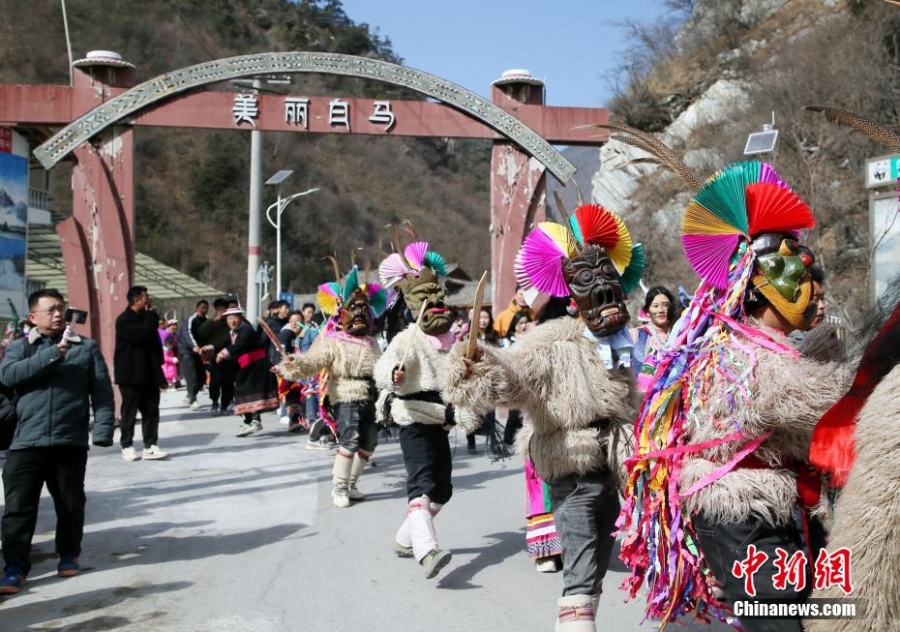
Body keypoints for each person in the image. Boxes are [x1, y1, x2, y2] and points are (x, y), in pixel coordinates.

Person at [619, 160, 852, 631]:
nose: (808, 282)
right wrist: (869, 373)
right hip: (739, 509)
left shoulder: (763, 345)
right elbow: (811, 394)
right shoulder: (742, 354)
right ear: (758, 283)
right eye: (794, 268)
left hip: (773, 504)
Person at [445, 203, 645, 629]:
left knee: (600, 548)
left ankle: (581, 611)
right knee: (580, 550)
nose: (605, 287)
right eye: (590, 280)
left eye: (609, 275)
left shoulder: (625, 341)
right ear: (572, 294)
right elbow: (514, 374)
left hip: (613, 460)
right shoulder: (551, 339)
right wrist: (482, 363)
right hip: (569, 458)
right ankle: (575, 618)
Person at [376, 239, 479, 579]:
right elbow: (384, 368)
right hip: (414, 417)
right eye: (425, 299)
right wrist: (394, 375)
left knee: (442, 491)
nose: (434, 303)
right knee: (421, 484)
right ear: (410, 303)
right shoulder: (406, 340)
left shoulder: (456, 342)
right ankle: (427, 551)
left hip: (441, 422)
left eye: (438, 298)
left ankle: (406, 538)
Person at [0, 289, 115, 594]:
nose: (58, 315)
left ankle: (68, 554)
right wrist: (53, 354)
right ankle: (14, 566)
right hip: (25, 441)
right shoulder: (20, 348)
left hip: (69, 440)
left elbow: (102, 392)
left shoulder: (86, 348)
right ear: (32, 317)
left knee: (70, 503)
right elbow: (9, 376)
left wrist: (103, 430)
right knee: (17, 509)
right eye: (50, 310)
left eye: (61, 309)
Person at [279, 266, 388, 507]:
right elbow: (312, 361)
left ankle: (351, 483)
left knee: (370, 442)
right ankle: (339, 487)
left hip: (370, 394)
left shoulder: (372, 343)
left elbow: (382, 369)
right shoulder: (331, 339)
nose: (360, 312)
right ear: (342, 313)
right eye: (354, 308)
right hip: (345, 393)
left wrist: (395, 376)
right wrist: (294, 364)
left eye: (364, 309)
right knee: (350, 440)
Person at [115, 286, 168, 462]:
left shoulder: (147, 319)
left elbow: (154, 347)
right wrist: (152, 316)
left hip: (150, 374)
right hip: (130, 375)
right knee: (129, 412)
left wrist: (160, 373)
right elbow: (142, 336)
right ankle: (127, 446)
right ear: (137, 300)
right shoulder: (124, 320)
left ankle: (150, 445)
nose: (149, 299)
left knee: (152, 410)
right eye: (146, 297)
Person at [216, 307, 279, 437]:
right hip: (246, 367)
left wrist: (223, 353)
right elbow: (223, 343)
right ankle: (249, 420)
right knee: (242, 391)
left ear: (240, 317)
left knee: (251, 392)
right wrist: (211, 348)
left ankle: (255, 421)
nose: (232, 320)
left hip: (257, 366)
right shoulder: (233, 332)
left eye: (235, 317)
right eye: (229, 318)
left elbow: (240, 345)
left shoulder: (246, 329)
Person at [630, 285, 676, 392]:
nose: (661, 310)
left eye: (666, 305)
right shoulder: (634, 335)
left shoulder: (681, 336)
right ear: (647, 311)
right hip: (642, 402)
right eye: (655, 306)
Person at [198, 297, 237, 416]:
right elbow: (201, 333)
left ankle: (225, 404)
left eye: (223, 308)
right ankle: (214, 401)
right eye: (218, 309)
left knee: (228, 381)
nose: (221, 311)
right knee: (215, 380)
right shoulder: (211, 322)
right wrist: (213, 321)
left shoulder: (231, 321)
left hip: (229, 356)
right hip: (215, 357)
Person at [178, 299, 208, 410]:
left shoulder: (206, 320)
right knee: (192, 376)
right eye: (202, 307)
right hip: (187, 351)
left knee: (202, 377)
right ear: (197, 308)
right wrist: (194, 346)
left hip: (198, 352)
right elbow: (187, 334)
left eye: (206, 308)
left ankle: (189, 396)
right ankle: (193, 399)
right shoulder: (191, 320)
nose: (204, 310)